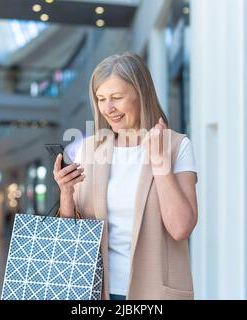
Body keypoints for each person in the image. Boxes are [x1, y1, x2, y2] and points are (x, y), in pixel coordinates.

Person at [53, 52, 198, 300]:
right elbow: (70, 239)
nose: (108, 108)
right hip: (95, 291)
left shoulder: (176, 146)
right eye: (101, 99)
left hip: (155, 294)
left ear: (141, 94)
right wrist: (66, 194)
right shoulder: (90, 149)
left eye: (117, 98)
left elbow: (181, 228)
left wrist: (160, 162)